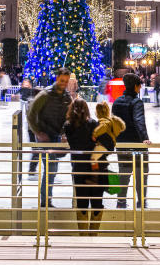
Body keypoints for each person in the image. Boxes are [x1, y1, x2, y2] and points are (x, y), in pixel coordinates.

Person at [64, 98, 118, 231]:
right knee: (96, 202)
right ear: (87, 109)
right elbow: (109, 145)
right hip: (96, 170)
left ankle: (83, 237)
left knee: (81, 203)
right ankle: (93, 236)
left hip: (78, 168)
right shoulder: (93, 123)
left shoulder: (67, 126)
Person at [27, 69, 73, 207]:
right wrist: (38, 132)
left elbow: (68, 117)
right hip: (45, 137)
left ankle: (46, 199)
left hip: (56, 136)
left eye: (66, 81)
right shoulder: (45, 95)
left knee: (52, 169)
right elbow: (31, 113)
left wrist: (65, 133)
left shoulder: (66, 97)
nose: (64, 83)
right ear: (57, 78)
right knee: (51, 168)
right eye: (61, 80)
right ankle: (45, 200)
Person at [111, 72, 150, 208]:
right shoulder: (136, 102)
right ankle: (141, 201)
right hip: (136, 144)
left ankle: (121, 201)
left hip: (121, 144)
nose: (140, 89)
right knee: (141, 173)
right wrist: (145, 138)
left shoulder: (117, 101)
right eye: (139, 86)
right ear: (135, 86)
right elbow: (139, 120)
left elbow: (113, 122)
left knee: (123, 173)